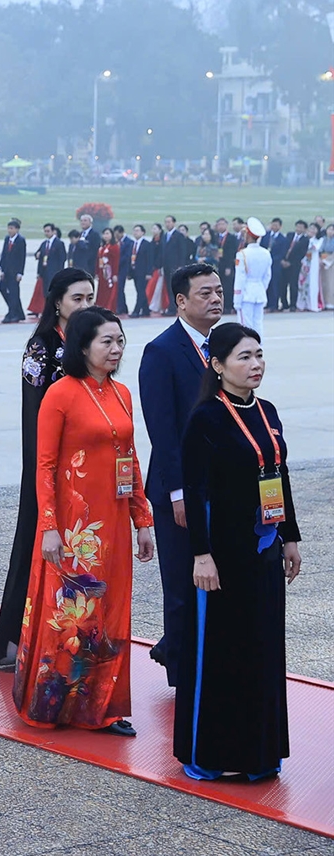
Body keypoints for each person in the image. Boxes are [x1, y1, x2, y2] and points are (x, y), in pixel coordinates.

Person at [13, 307, 153, 734]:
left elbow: (128, 460)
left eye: (119, 341)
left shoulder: (122, 393)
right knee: (70, 613)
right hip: (73, 526)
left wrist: (141, 518)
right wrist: (49, 527)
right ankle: (54, 702)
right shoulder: (61, 393)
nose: (116, 349)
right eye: (106, 342)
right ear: (82, 346)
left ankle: (101, 707)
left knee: (108, 612)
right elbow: (45, 466)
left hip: (110, 521)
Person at [176, 323, 301, 782]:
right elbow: (194, 489)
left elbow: (278, 474)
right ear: (218, 365)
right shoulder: (206, 417)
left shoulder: (267, 412)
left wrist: (290, 536)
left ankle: (260, 754)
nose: (256, 365)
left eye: (259, 355)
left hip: (264, 549)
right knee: (222, 650)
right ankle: (209, 753)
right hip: (223, 552)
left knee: (262, 647)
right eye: (245, 357)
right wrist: (200, 555)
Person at [0, 269, 95, 668]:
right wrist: (44, 470)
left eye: (90, 298)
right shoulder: (42, 347)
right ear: (57, 303)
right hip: (49, 467)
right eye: (77, 299)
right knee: (33, 548)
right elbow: (33, 416)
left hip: (88, 469)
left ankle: (68, 639)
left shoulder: (92, 343)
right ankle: (13, 640)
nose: (86, 306)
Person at [138, 261, 222, 687]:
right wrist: (175, 493)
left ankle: (193, 653)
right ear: (182, 301)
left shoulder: (222, 347)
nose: (215, 300)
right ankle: (183, 673)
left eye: (219, 292)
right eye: (205, 293)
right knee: (181, 582)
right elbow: (162, 431)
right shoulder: (162, 351)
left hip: (220, 485)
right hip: (180, 489)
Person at [234, 218, 272, 333]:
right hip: (259, 290)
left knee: (245, 325)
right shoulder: (266, 253)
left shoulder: (242, 254)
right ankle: (259, 346)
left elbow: (240, 278)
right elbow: (267, 276)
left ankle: (249, 348)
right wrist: (261, 288)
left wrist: (237, 298)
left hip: (246, 292)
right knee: (258, 323)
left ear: (248, 235)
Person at [95, 227, 120, 312]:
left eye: (107, 233)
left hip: (110, 273)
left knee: (109, 291)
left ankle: (109, 308)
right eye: (104, 234)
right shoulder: (102, 247)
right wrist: (97, 272)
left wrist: (115, 274)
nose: (105, 236)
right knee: (102, 291)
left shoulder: (114, 247)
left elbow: (116, 261)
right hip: (102, 272)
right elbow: (99, 260)